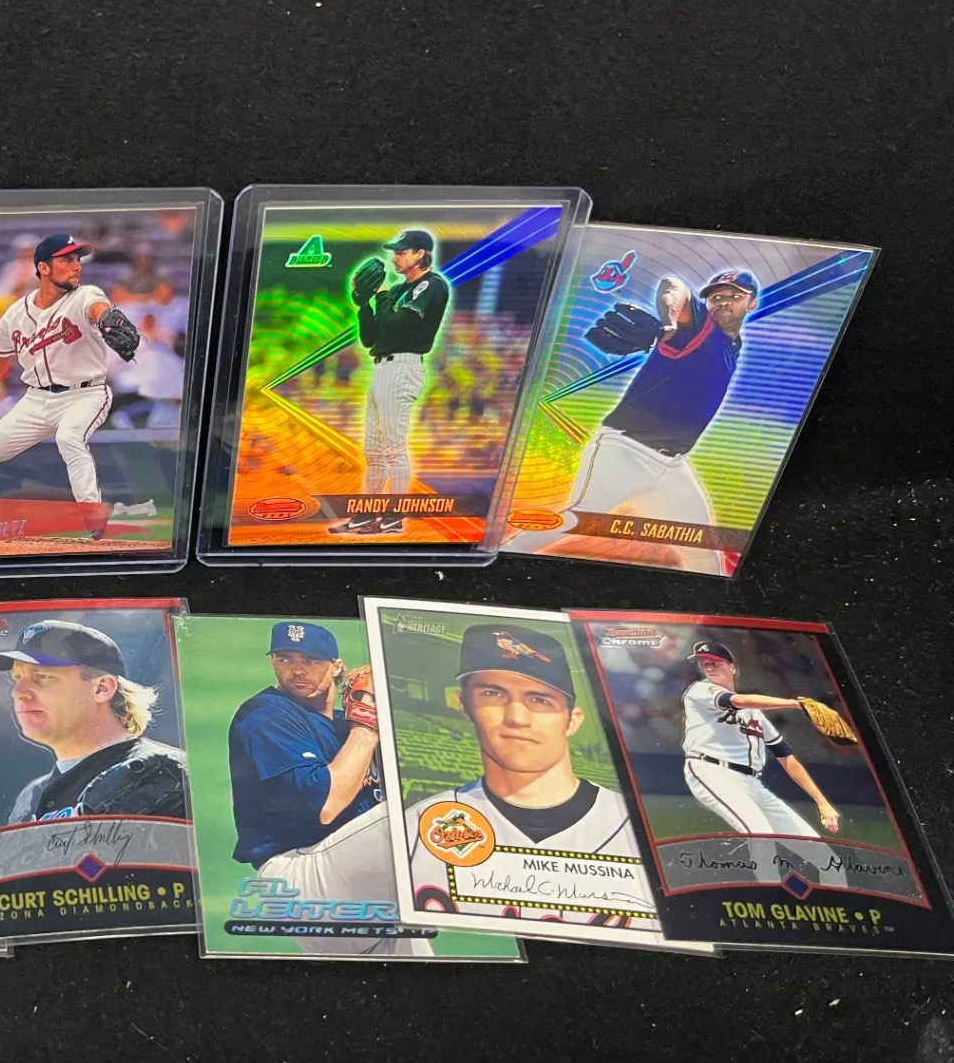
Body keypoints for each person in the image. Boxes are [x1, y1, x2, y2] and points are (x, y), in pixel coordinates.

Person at [506, 269, 760, 574]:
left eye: (734, 296)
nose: (723, 301)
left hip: (673, 467)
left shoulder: (732, 346)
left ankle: (713, 601)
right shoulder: (698, 329)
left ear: (751, 304)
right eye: (716, 296)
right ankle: (503, 555)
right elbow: (674, 285)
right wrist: (669, 320)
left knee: (703, 550)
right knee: (580, 518)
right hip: (624, 450)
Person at [403, 623, 653, 927]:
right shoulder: (414, 827)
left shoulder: (643, 831)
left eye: (540, 700)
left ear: (572, 721)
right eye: (493, 694)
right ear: (463, 705)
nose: (517, 718)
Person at [228, 622, 421, 955]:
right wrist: (368, 722)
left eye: (311, 660)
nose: (297, 670)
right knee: (430, 813)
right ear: (272, 661)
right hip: (302, 872)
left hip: (360, 889)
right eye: (285, 658)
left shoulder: (347, 724)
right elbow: (325, 806)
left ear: (336, 666)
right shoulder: (267, 715)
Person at [0, 234, 141, 540]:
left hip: (86, 394)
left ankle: (92, 515)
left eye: (77, 260)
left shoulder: (85, 295)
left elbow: (98, 308)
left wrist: (105, 319)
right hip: (35, 400)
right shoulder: (17, 313)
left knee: (69, 438)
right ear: (44, 268)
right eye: (67, 260)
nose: (76, 266)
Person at [0, 620, 188, 824]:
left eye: (42, 676)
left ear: (102, 688)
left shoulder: (168, 772)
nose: (18, 692)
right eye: (17, 678)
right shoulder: (29, 798)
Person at [331, 230, 452, 536]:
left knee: (394, 450)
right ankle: (366, 515)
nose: (395, 257)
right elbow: (371, 338)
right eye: (395, 252)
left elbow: (398, 324)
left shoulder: (432, 285)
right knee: (372, 450)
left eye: (402, 252)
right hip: (382, 369)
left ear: (420, 254)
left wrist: (381, 294)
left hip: (403, 367)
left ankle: (394, 516)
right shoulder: (399, 290)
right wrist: (364, 306)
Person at [679, 639, 841, 840]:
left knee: (817, 848)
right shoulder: (699, 690)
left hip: (752, 782)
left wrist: (822, 803)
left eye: (715, 662)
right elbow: (737, 700)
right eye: (704, 663)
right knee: (761, 835)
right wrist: (797, 704)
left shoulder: (754, 714)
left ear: (732, 668)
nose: (708, 667)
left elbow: (785, 755)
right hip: (713, 771)